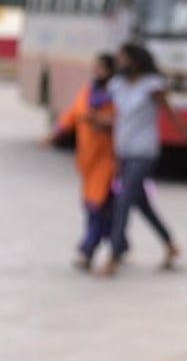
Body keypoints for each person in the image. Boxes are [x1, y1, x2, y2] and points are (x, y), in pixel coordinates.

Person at [99, 43, 187, 276]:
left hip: (143, 153)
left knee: (123, 201)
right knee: (140, 203)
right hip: (123, 152)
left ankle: (113, 256)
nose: (118, 63)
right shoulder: (117, 85)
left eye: (122, 59)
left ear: (135, 61)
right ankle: (170, 245)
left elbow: (173, 116)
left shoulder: (151, 87)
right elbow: (117, 116)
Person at [42, 54, 118, 270]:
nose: (97, 72)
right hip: (87, 160)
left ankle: (88, 249)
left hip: (107, 159)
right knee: (97, 206)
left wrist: (101, 121)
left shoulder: (117, 93)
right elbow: (71, 115)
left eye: (101, 68)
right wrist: (53, 135)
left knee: (96, 205)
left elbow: (124, 121)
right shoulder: (88, 91)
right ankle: (118, 242)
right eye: (95, 67)